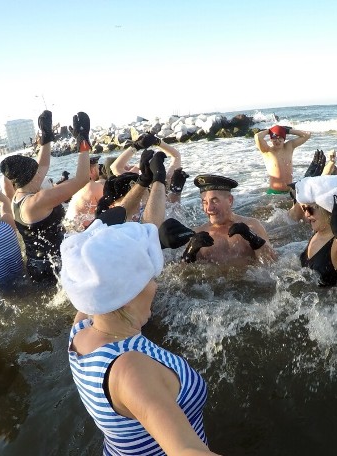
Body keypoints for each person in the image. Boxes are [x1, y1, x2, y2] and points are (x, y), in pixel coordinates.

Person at [62, 162, 217, 455]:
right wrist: (153, 183)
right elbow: (186, 450)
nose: (155, 286)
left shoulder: (81, 328)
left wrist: (150, 183)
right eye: (149, 277)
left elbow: (100, 234)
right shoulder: (131, 370)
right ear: (128, 292)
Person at [0, 110, 90, 281]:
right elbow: (82, 179)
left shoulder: (19, 195)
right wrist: (83, 142)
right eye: (36, 171)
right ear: (32, 176)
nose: (41, 172)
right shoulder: (36, 202)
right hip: (51, 269)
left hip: (38, 263)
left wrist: (46, 136)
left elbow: (43, 165)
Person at [182, 174, 277, 265]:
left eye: (214, 201)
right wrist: (190, 252)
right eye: (205, 202)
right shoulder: (198, 234)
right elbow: (180, 275)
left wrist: (252, 238)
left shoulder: (252, 225)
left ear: (230, 200)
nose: (209, 208)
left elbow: (273, 262)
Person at [255, 124, 312, 194]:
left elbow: (307, 135)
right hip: (274, 193)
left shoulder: (289, 147)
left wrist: (287, 130)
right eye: (274, 138)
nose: (277, 141)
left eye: (280, 138)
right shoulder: (267, 151)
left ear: (284, 139)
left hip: (289, 192)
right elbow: (257, 137)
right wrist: (269, 131)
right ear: (271, 139)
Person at [65, 155, 105, 231]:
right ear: (92, 171)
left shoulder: (75, 186)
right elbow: (111, 206)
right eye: (97, 168)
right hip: (83, 230)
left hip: (70, 228)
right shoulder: (94, 186)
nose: (99, 171)